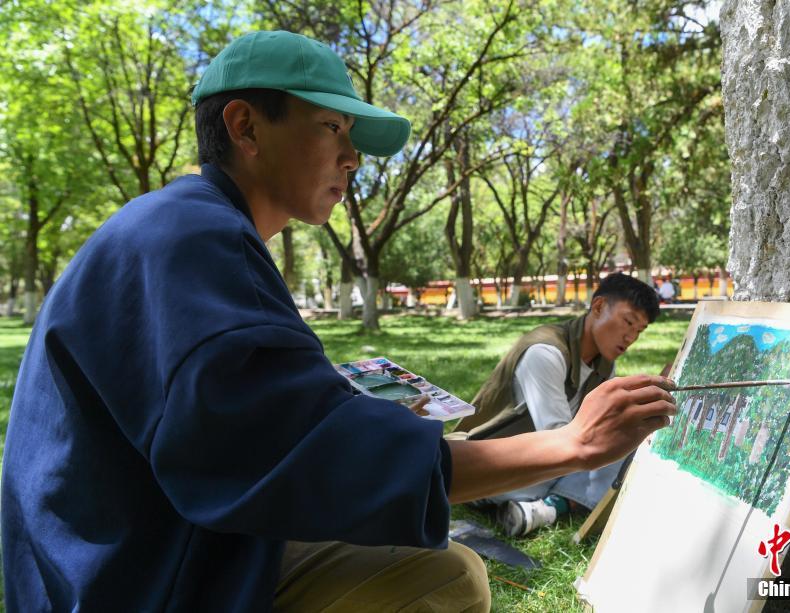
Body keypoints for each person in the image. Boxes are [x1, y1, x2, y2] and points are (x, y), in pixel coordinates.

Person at [1, 31, 676, 612]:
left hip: (144, 544)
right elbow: (310, 461)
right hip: (133, 580)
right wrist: (573, 444)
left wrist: (352, 410)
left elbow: (241, 418)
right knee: (444, 577)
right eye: (332, 128)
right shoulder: (194, 239)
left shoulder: (183, 225)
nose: (353, 158)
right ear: (245, 127)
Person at [452, 273, 660, 536]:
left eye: (639, 331)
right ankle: (556, 506)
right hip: (485, 468)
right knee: (618, 450)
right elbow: (559, 441)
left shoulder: (603, 364)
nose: (630, 337)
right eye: (628, 322)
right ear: (598, 307)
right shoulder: (545, 351)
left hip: (537, 462)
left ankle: (541, 508)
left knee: (627, 444)